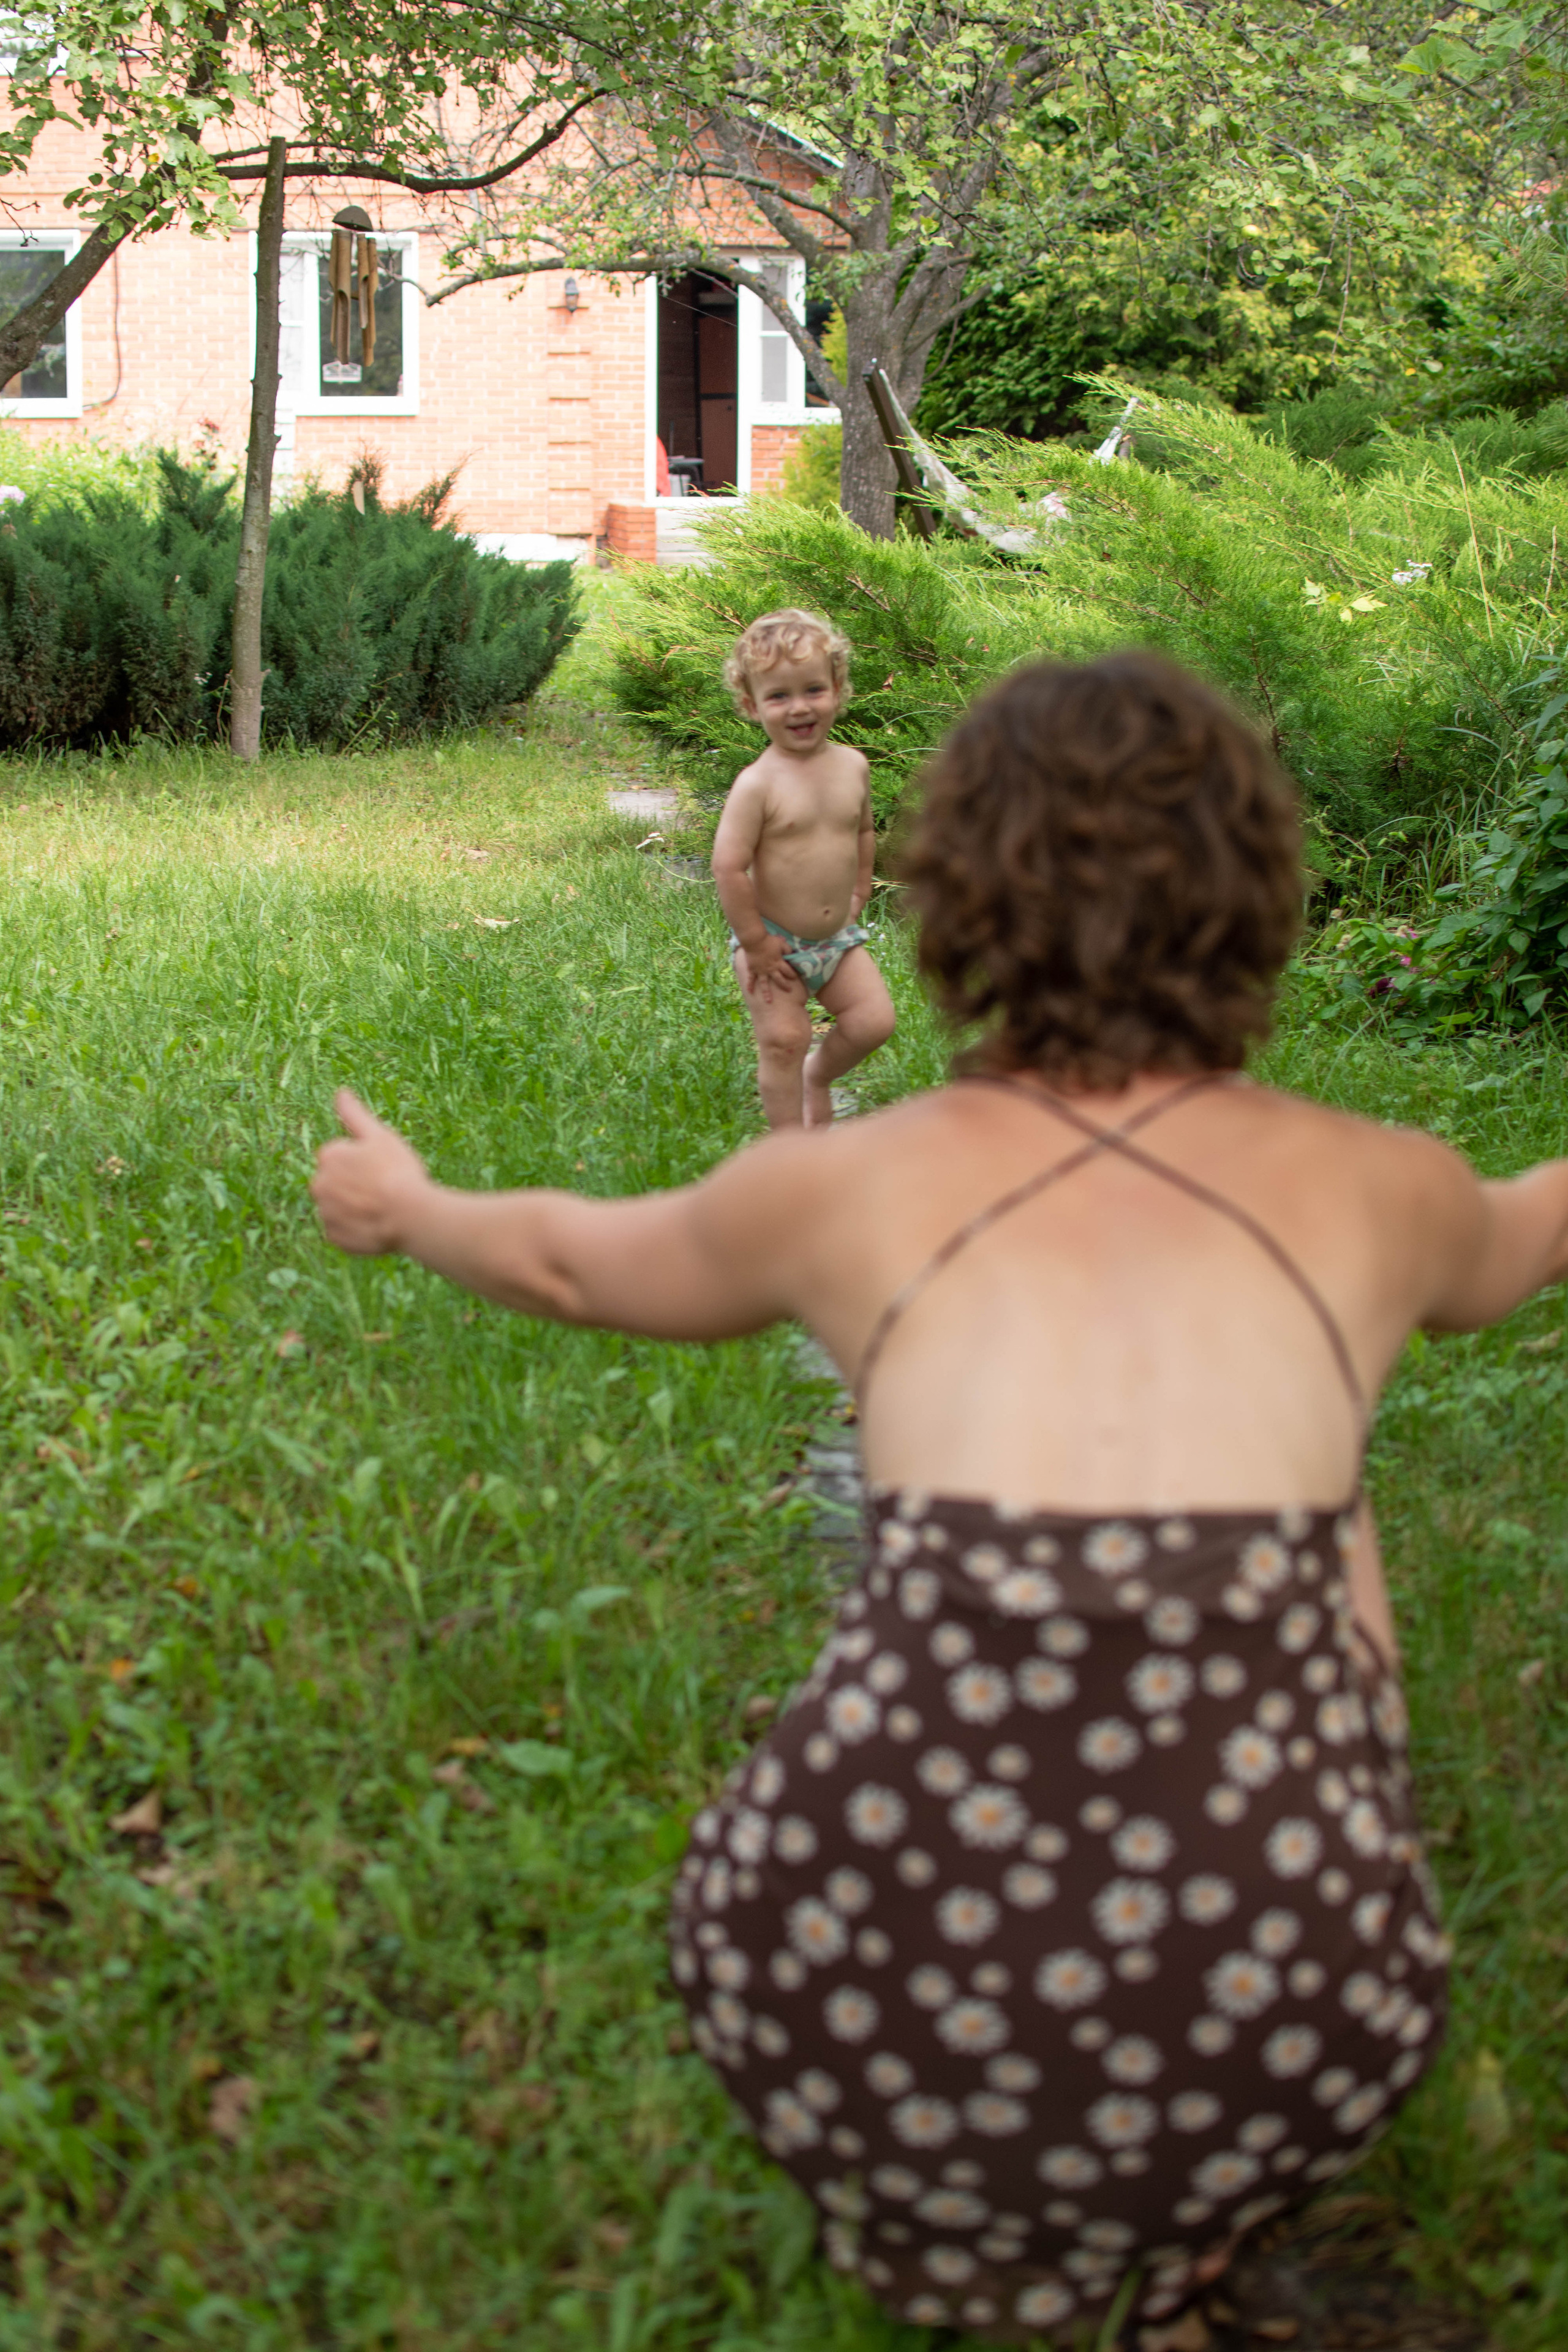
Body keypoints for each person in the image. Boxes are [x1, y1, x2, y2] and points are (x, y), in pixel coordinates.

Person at [310, 651, 1568, 2350]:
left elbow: (566, 1260)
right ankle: (1183, 2224)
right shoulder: (1395, 1192)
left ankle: (970, 2249)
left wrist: (408, 1200)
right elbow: (1522, 1240)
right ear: (1264, 900)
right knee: (1312, 1510)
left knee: (859, 1873)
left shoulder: (841, 1183)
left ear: (953, 898)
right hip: (1293, 1987)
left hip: (887, 1960)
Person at [710, 609, 895, 1128]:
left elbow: (860, 831)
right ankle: (791, 1153)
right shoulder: (758, 785)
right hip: (773, 943)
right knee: (784, 1040)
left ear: (838, 688)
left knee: (874, 1021)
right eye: (778, 696)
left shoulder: (852, 766)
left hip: (838, 938)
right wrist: (756, 944)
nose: (799, 708)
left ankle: (820, 1075)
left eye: (813, 689)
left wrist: (859, 892)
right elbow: (728, 868)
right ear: (752, 705)